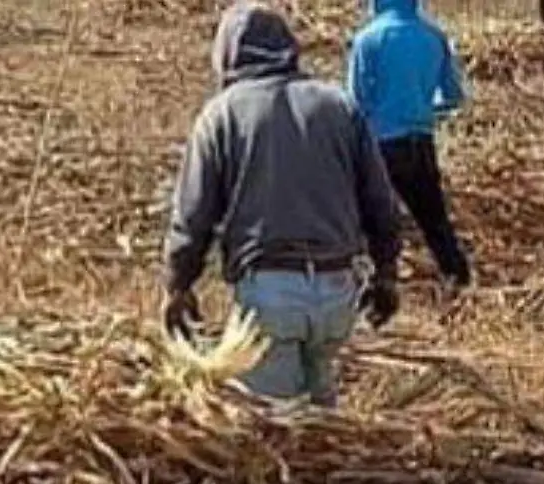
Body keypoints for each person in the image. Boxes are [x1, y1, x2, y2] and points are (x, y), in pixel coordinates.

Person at [162, 2, 401, 407]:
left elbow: (193, 216)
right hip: (337, 293)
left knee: (274, 433)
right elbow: (381, 202)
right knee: (323, 425)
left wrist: (177, 284)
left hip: (269, 296)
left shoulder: (221, 115)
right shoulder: (338, 106)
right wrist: (387, 274)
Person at [348, 0, 473, 291]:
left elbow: (356, 104)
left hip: (382, 146)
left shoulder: (368, 39)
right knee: (434, 221)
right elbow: (453, 96)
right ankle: (459, 283)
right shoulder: (434, 36)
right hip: (422, 142)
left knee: (368, 220)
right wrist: (425, 113)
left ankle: (371, 287)